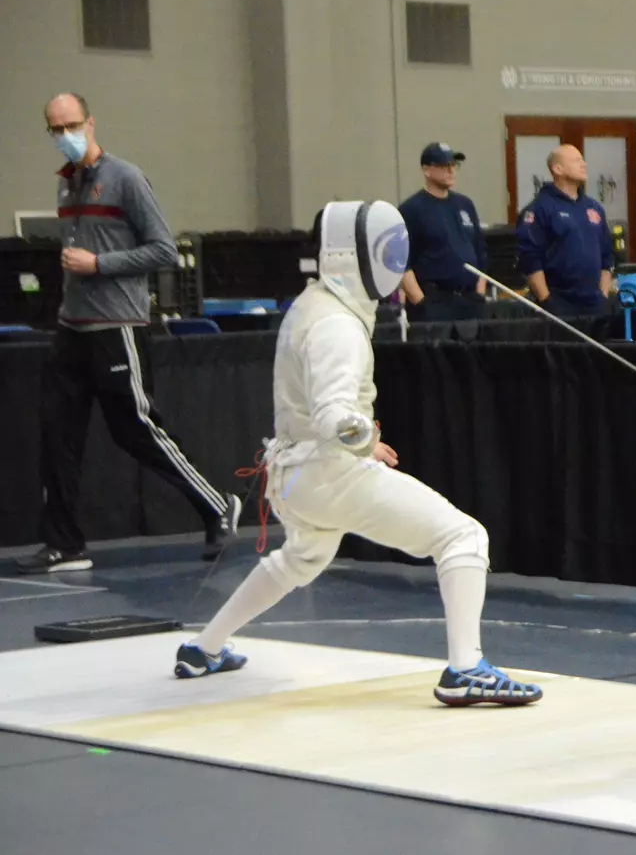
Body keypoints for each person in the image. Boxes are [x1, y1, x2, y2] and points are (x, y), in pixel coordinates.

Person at [173, 200, 543, 706]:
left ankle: (204, 647)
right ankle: (465, 669)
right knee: (462, 536)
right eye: (388, 251)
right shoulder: (337, 327)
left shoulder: (313, 304)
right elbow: (335, 417)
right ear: (355, 255)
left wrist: (357, 437)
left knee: (301, 559)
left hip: (293, 477)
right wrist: (367, 441)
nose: (395, 262)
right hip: (329, 474)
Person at [15, 93, 236, 575]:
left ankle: (218, 505)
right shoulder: (67, 186)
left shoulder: (126, 178)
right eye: (56, 129)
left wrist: (100, 265)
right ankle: (64, 543)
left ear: (91, 123)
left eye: (72, 125)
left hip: (117, 327)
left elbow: (163, 250)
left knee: (136, 429)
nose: (65, 135)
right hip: (72, 328)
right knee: (57, 433)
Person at [515, 145, 614, 316]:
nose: (584, 164)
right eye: (577, 161)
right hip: (559, 304)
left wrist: (604, 296)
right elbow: (530, 260)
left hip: (594, 304)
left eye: (582, 160)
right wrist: (546, 301)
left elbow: (607, 257)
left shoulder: (594, 207)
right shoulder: (540, 208)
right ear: (557, 169)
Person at [399, 142, 488, 322]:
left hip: (470, 300)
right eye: (443, 166)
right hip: (434, 301)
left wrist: (479, 293)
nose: (451, 171)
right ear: (427, 170)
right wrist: (420, 302)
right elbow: (401, 263)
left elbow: (479, 252)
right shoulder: (412, 209)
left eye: (454, 165)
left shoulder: (465, 205)